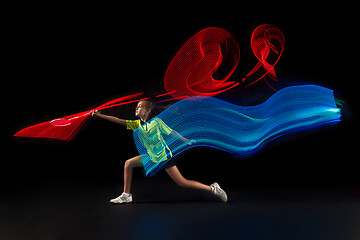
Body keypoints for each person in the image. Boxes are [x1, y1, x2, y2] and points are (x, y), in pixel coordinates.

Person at [92, 100, 228, 203]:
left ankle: (212, 188)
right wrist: (100, 116)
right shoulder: (136, 124)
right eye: (137, 106)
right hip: (151, 156)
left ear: (147, 110)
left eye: (140, 106)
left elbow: (172, 132)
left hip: (164, 157)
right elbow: (118, 121)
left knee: (182, 182)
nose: (137, 108)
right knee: (128, 164)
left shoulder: (156, 122)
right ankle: (126, 195)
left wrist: (186, 140)